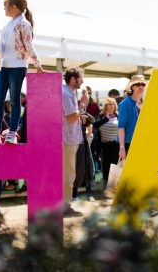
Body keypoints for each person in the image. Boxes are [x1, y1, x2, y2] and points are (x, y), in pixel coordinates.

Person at [0, 0, 47, 145]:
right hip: (4, 67)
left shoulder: (24, 24)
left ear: (14, 7)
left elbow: (29, 46)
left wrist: (37, 64)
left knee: (14, 101)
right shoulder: (8, 24)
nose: (4, 8)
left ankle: (12, 133)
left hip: (17, 67)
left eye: (6, 5)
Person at [62, 67, 88, 216]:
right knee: (69, 175)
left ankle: (65, 205)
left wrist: (81, 115)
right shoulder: (65, 94)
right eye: (80, 78)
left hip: (70, 139)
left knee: (69, 174)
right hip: (67, 140)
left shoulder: (68, 93)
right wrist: (83, 104)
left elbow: (72, 117)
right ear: (73, 79)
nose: (82, 81)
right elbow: (72, 118)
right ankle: (65, 207)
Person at [118, 75, 147, 159]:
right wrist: (122, 148)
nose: (141, 87)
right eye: (138, 84)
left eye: (143, 84)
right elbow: (121, 127)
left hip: (143, 142)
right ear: (132, 87)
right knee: (129, 171)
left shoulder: (145, 103)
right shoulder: (125, 103)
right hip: (128, 143)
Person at [93, 98, 119, 185]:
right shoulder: (101, 116)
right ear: (106, 106)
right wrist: (106, 119)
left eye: (113, 104)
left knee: (115, 165)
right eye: (110, 104)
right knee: (106, 165)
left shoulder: (118, 116)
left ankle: (113, 186)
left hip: (116, 144)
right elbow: (95, 125)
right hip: (105, 144)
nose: (112, 106)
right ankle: (105, 185)